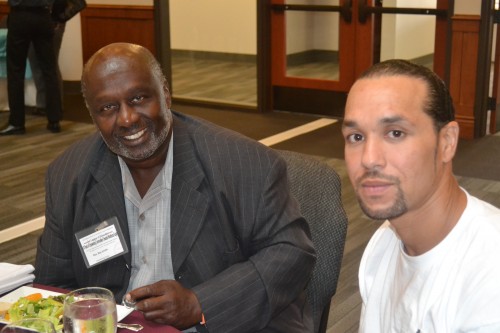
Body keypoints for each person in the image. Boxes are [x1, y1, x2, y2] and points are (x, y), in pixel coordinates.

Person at [34, 42, 316, 333]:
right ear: (93, 116)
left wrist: (201, 304)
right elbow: (52, 286)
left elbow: (292, 253)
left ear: (165, 94)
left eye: (139, 98)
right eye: (108, 108)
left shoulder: (245, 164)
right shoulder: (67, 175)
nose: (127, 118)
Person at [342, 59, 500, 332]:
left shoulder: (489, 276)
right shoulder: (382, 247)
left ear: (447, 142)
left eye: (395, 133)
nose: (369, 159)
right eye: (356, 137)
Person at [0, 0, 63, 135]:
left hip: (20, 15)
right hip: (43, 15)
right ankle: (54, 121)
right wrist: (56, 17)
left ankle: (16, 123)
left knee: (15, 71)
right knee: (49, 70)